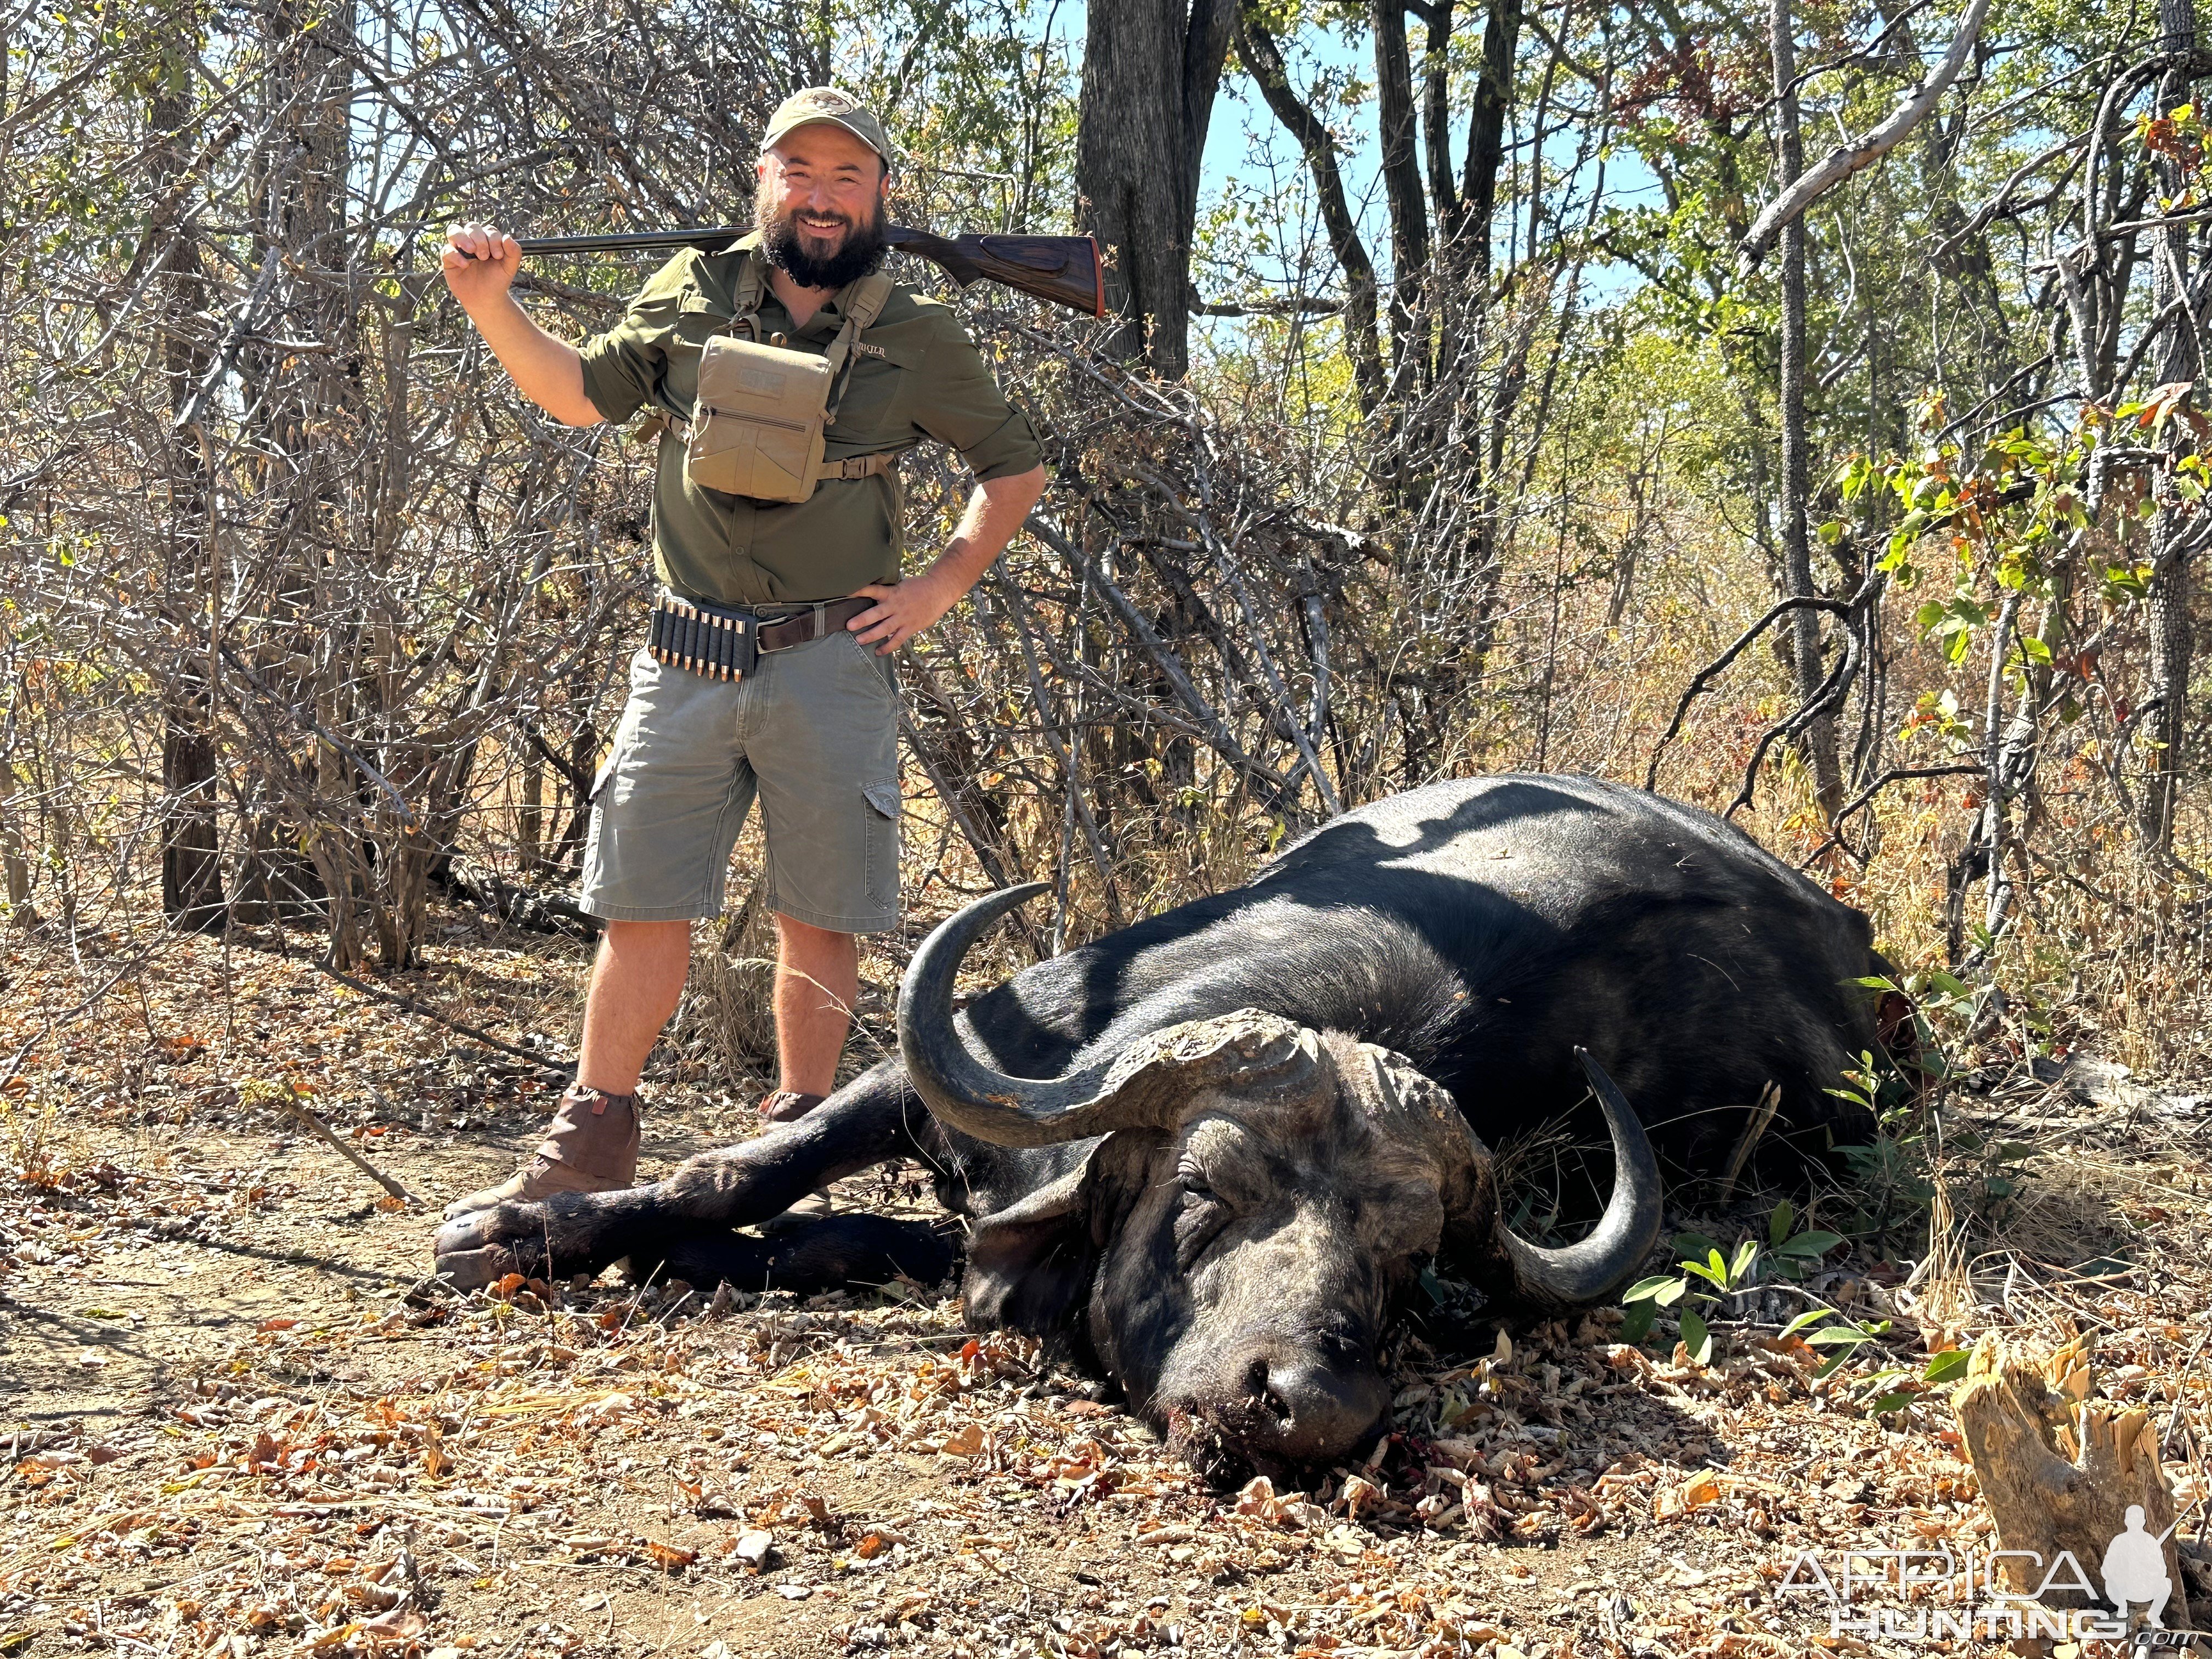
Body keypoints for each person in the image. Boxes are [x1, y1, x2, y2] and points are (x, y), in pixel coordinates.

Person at [438, 88, 1047, 1219]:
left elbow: (1014, 470)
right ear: (763, 182)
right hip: (686, 654)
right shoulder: (689, 289)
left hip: (832, 655)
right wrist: (491, 302)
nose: (821, 197)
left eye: (846, 177)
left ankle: (797, 1151)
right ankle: (592, 1135)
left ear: (880, 196)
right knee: (643, 904)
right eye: (800, 173)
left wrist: (940, 585)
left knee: (819, 912)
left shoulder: (919, 331)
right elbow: (579, 397)